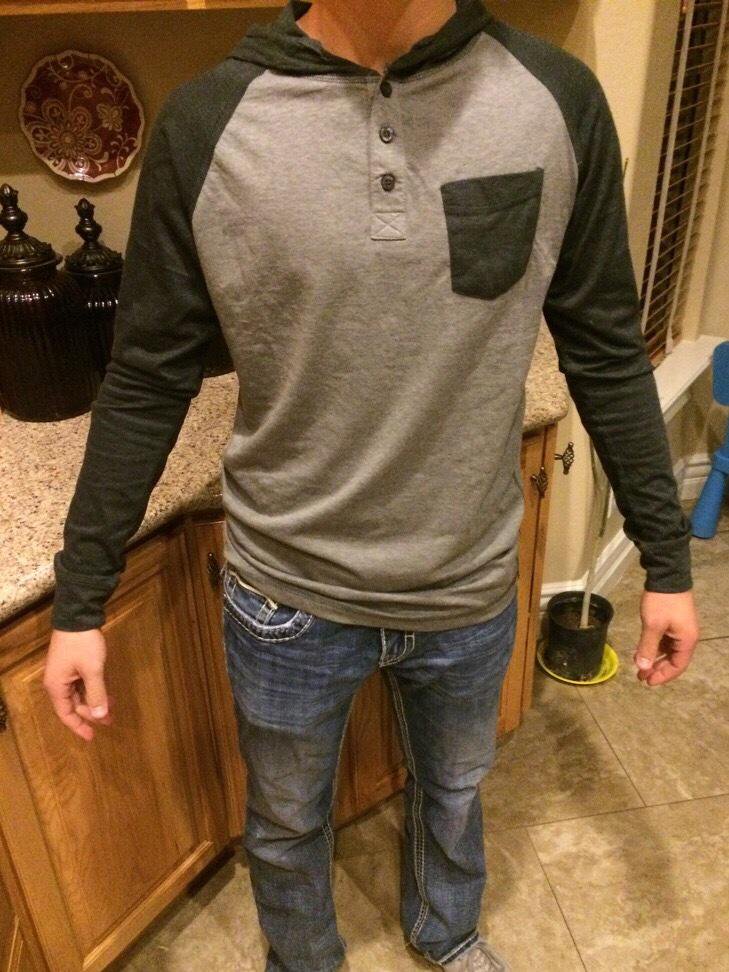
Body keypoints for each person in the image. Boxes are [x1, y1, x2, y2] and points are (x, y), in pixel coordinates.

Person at [43, 1, 701, 969]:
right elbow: (146, 378)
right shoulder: (208, 123)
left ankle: (448, 928)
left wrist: (665, 558)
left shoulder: (556, 101)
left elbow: (604, 346)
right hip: (286, 592)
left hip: (468, 580)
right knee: (283, 820)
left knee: (456, 790)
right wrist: (81, 597)